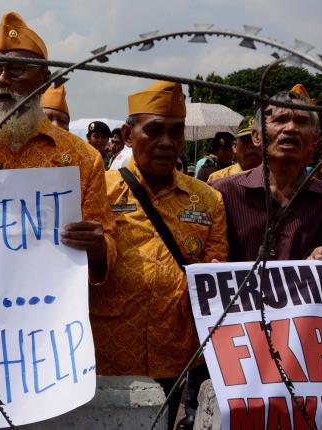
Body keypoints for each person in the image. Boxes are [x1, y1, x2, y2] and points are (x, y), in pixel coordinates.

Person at [0, 11, 115, 287]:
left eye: (16, 70)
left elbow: (106, 242)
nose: (2, 80)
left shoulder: (84, 159)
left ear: (44, 79)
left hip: (49, 303)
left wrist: (98, 247)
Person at [90, 80, 228, 430]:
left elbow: (217, 266)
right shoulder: (99, 189)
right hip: (107, 352)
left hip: (173, 352)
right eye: (154, 131)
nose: (166, 142)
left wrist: (210, 272)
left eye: (175, 132)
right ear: (128, 134)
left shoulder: (207, 199)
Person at [211, 86, 322, 262]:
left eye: (301, 122)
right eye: (280, 120)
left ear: (315, 140)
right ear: (257, 137)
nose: (291, 128)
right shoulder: (220, 194)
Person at [207, 116, 261, 181]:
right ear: (235, 146)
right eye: (246, 140)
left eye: (258, 139)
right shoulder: (217, 179)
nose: (252, 145)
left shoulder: (272, 177)